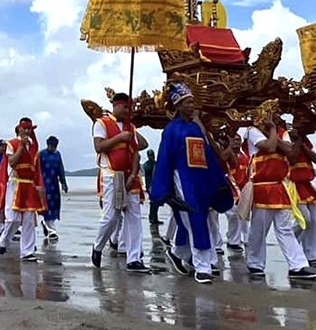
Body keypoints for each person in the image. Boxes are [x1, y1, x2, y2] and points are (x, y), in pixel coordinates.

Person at [151, 82, 229, 283]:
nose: (191, 106)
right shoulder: (171, 130)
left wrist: (218, 180)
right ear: (177, 106)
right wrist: (163, 189)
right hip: (183, 182)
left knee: (195, 221)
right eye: (187, 102)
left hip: (201, 182)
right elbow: (165, 159)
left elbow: (208, 156)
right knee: (195, 220)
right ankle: (202, 266)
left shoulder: (196, 128)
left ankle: (179, 254)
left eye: (192, 102)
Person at [244, 104, 316, 281]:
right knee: (259, 229)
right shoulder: (252, 131)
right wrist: (273, 133)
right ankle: (255, 263)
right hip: (262, 186)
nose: (278, 116)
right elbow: (270, 147)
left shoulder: (281, 131)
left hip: (280, 186)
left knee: (284, 228)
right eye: (274, 113)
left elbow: (292, 154)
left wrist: (276, 135)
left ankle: (298, 265)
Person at [91, 92, 150, 273]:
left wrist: (131, 132)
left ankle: (134, 259)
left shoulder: (129, 127)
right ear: (116, 106)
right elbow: (99, 147)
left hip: (130, 175)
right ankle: (98, 245)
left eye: (129, 108)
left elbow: (141, 146)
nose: (127, 110)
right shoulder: (101, 123)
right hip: (112, 174)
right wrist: (120, 138)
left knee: (134, 217)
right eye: (125, 107)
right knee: (112, 216)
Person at [0, 118, 47, 260]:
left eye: (29, 129)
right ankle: (4, 241)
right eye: (25, 128)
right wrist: (21, 147)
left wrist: (39, 185)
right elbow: (12, 162)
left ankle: (27, 251)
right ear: (19, 128)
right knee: (13, 219)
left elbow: (35, 167)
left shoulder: (33, 145)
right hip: (15, 183)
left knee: (29, 219)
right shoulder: (11, 143)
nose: (27, 131)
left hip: (29, 184)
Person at [286, 121, 316, 267]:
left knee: (313, 222)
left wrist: (302, 142)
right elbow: (293, 158)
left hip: (307, 184)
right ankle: (290, 241)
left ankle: (312, 254)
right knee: (305, 219)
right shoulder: (286, 141)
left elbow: (315, 159)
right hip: (293, 184)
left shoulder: (304, 142)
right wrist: (298, 141)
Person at [39, 136, 68, 241]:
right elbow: (37, 170)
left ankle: (47, 225)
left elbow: (61, 168)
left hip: (54, 183)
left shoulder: (57, 154)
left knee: (54, 205)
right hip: (44, 184)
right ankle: (52, 230)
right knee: (46, 205)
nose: (53, 148)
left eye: (55, 146)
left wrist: (63, 183)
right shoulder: (41, 154)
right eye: (51, 146)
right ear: (48, 144)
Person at [143, 149, 158, 225]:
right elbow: (146, 170)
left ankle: (155, 218)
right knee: (153, 202)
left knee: (156, 203)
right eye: (150, 155)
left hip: (156, 185)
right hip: (150, 186)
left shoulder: (156, 163)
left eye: (152, 155)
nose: (152, 156)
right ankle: (152, 218)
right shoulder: (147, 164)